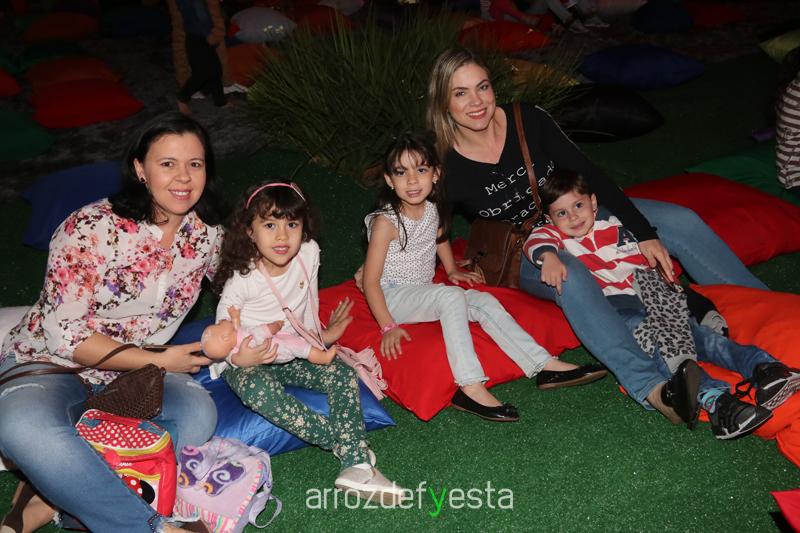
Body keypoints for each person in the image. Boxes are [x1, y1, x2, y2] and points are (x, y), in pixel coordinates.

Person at [426, 46, 770, 424]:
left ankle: (767, 312)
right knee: (570, 275)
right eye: (461, 93)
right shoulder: (443, 161)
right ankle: (652, 388)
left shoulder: (527, 120)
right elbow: (431, 220)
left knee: (679, 220)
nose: (476, 102)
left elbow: (590, 174)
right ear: (444, 103)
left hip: (575, 211)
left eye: (482, 87)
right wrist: (449, 267)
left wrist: (643, 232)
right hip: (528, 246)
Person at [0, 112, 224, 533]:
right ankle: (152, 527)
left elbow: (243, 281)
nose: (183, 177)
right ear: (140, 169)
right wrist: (161, 360)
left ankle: (54, 496)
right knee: (20, 426)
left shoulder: (207, 235)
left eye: (195, 163)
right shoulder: (89, 228)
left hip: (132, 379)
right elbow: (66, 337)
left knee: (197, 414)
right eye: (167, 163)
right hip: (51, 364)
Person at [526, 169, 800, 439]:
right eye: (561, 213)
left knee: (705, 341)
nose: (573, 217)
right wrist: (548, 257)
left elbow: (646, 230)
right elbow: (535, 240)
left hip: (657, 295)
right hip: (623, 310)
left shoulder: (616, 220)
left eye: (578, 205)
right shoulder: (558, 237)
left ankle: (765, 369)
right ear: (550, 219)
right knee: (669, 357)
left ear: (593, 202)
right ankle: (718, 401)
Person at [362, 132, 606, 423]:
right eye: (401, 172)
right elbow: (370, 281)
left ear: (436, 174)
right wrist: (388, 326)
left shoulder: (431, 207)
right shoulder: (386, 222)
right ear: (389, 180)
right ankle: (470, 386)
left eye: (421, 169)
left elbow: (438, 237)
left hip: (422, 290)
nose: (412, 180)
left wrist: (452, 269)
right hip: (393, 294)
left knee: (484, 301)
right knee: (451, 296)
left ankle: (543, 364)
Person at [210, 179, 408, 505]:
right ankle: (348, 449)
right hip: (246, 360)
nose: (282, 236)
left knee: (342, 373)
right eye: (270, 225)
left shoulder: (309, 252)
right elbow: (220, 338)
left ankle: (355, 468)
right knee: (260, 392)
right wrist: (239, 359)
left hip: (291, 351)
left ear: (304, 227)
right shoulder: (242, 280)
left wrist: (322, 336)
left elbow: (305, 304)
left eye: (292, 224)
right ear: (249, 231)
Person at [200, 305, 337, 365]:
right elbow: (261, 332)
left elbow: (236, 329)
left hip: (276, 348)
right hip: (280, 348)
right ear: (225, 337)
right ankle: (323, 358)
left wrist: (235, 317)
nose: (220, 321)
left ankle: (317, 345)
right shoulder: (246, 340)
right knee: (302, 348)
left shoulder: (236, 346)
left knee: (301, 342)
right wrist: (274, 326)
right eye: (218, 325)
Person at [167, 0, 228, 114]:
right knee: (202, 73)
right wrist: (208, 35)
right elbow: (197, 16)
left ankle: (220, 101)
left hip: (201, 35)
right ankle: (182, 97)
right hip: (197, 37)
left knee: (216, 70)